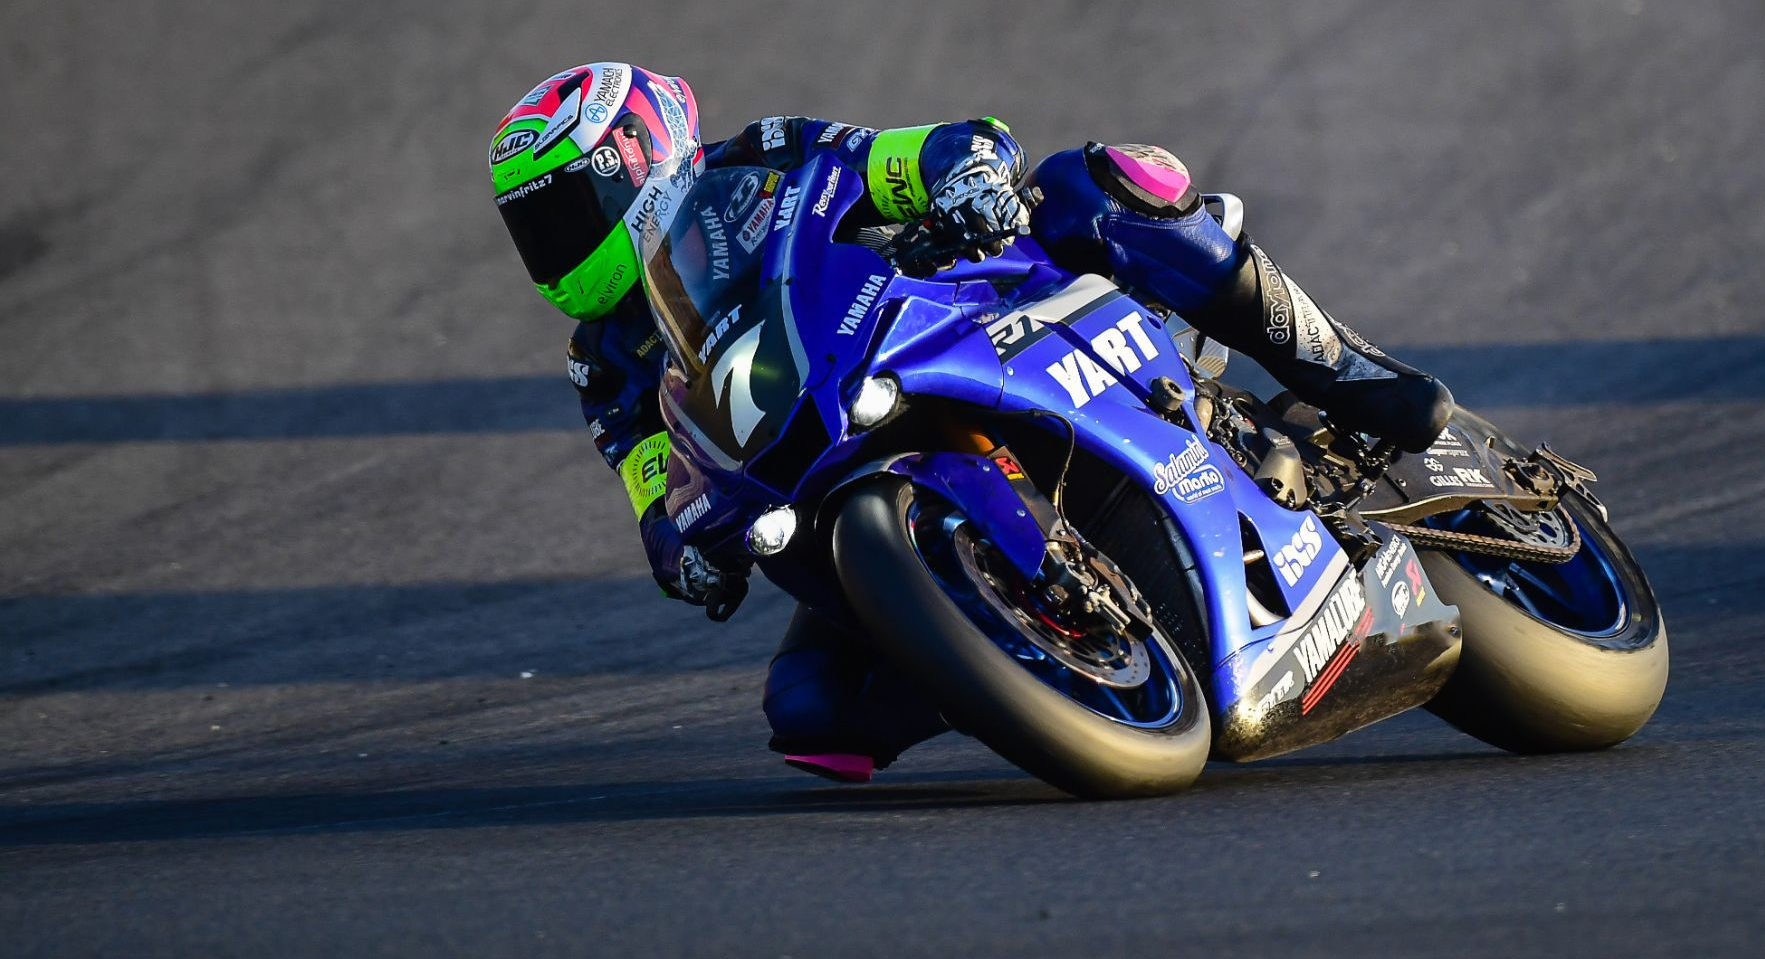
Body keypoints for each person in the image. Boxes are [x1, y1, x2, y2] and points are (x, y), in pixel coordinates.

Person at [489, 63, 1453, 783]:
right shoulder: (602, 361)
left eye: (567, 209)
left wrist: (967, 174)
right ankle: (1022, 655)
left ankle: (1349, 369)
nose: (556, 246)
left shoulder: (760, 159)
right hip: (829, 471)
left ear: (632, 155)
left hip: (960, 324)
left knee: (1098, 185)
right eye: (534, 227)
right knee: (812, 710)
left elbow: (910, 153)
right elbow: (650, 481)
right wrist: (680, 550)